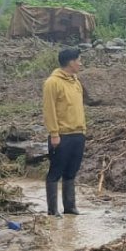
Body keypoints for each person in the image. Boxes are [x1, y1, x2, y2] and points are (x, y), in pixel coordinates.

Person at [42, 48, 87, 216]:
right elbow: (49, 110)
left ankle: (70, 206)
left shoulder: (76, 82)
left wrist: (83, 130)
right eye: (78, 60)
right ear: (70, 62)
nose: (80, 64)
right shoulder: (52, 83)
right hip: (62, 135)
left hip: (78, 133)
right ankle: (52, 209)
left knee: (71, 171)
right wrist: (54, 133)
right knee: (56, 171)